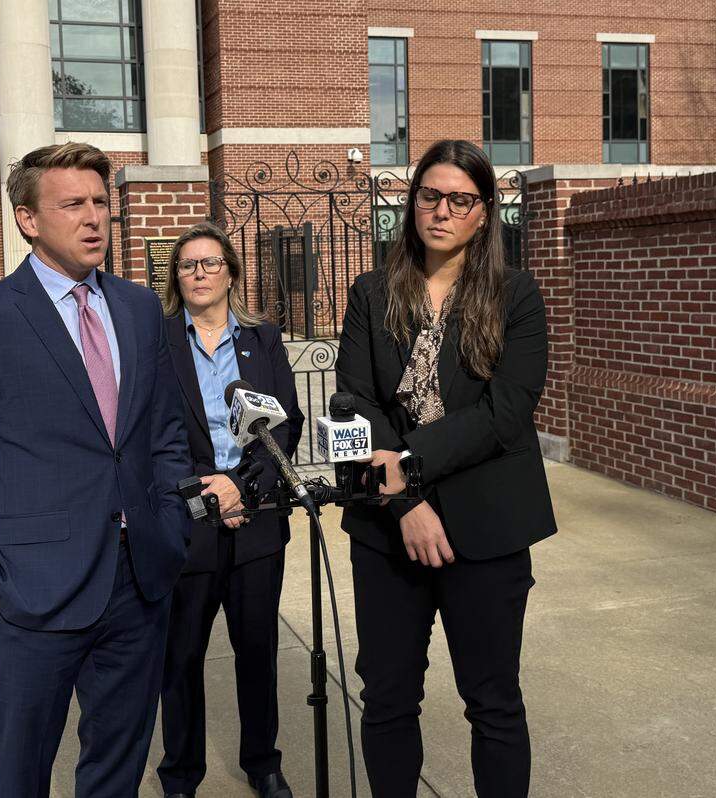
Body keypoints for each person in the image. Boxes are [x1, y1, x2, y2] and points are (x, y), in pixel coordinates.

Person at [0, 142, 193, 797]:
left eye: (100, 202)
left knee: (115, 777)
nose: (93, 217)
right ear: (28, 219)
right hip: (30, 599)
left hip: (138, 584)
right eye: (73, 204)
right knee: (17, 780)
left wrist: (171, 528)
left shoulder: (138, 308)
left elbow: (165, 433)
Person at [336, 139, 557, 798]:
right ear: (412, 204)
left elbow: (506, 413)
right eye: (429, 196)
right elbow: (350, 403)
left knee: (493, 701)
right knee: (387, 698)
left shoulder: (516, 295)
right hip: (386, 529)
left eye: (460, 200)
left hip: (487, 524)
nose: (441, 211)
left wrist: (406, 465)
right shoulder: (371, 292)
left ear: (484, 213)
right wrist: (402, 501)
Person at [157, 222, 303, 798]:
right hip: (187, 519)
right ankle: (181, 773)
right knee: (182, 654)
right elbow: (149, 434)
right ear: (176, 277)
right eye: (187, 264)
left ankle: (262, 762)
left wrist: (246, 487)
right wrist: (204, 489)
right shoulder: (159, 341)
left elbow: (282, 423)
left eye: (210, 263)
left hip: (257, 519)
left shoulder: (262, 339)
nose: (198, 273)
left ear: (231, 272)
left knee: (257, 647)